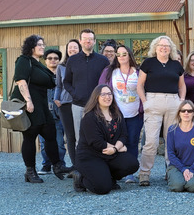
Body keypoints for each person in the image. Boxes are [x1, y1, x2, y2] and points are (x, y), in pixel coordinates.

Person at [12, 35, 71, 183]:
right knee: (30, 137)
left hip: (42, 105)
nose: (42, 47)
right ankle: (30, 171)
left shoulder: (38, 64)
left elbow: (52, 81)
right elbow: (21, 80)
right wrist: (28, 101)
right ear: (31, 46)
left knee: (50, 133)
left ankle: (57, 166)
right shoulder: (24, 60)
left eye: (43, 44)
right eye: (39, 44)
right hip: (30, 105)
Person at [137, 36, 186, 186]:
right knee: (151, 141)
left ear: (170, 48)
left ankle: (170, 172)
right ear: (155, 47)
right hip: (153, 101)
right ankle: (144, 173)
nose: (164, 48)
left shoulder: (176, 65)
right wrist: (145, 102)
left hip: (173, 102)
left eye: (167, 45)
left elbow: (182, 86)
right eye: (161, 45)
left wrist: (181, 101)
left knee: (171, 140)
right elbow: (139, 85)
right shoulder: (148, 63)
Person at [73, 85, 139, 194]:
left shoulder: (117, 114)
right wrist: (117, 149)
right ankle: (80, 180)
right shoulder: (90, 117)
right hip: (91, 156)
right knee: (102, 188)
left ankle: (108, 177)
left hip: (110, 154)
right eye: (103, 94)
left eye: (109, 94)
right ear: (96, 97)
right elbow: (97, 142)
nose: (107, 97)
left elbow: (123, 135)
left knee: (132, 164)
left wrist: (115, 149)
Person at [99, 45, 143, 184]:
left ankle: (130, 173)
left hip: (135, 114)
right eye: (119, 54)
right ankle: (114, 171)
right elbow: (101, 89)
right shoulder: (110, 71)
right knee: (114, 143)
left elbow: (144, 89)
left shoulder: (138, 72)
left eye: (125, 54)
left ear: (130, 55)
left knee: (132, 142)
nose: (122, 56)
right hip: (116, 115)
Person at [64, 29, 109, 145]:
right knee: (80, 139)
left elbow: (107, 83)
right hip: (78, 105)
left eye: (90, 39)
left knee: (100, 137)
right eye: (85, 39)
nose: (87, 41)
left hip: (98, 106)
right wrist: (75, 94)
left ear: (94, 41)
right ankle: (82, 163)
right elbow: (66, 82)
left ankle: (98, 163)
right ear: (80, 41)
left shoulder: (103, 60)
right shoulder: (72, 60)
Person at [37, 49, 67, 175]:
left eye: (56, 58)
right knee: (44, 143)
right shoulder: (40, 75)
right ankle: (46, 165)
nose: (53, 60)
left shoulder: (63, 75)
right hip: (44, 114)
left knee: (60, 143)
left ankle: (60, 165)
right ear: (45, 60)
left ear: (59, 60)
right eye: (50, 58)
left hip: (59, 114)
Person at [166, 100, 194, 192]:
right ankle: (174, 176)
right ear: (179, 113)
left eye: (189, 111)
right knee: (177, 186)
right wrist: (183, 169)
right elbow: (171, 153)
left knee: (193, 187)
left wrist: (192, 169)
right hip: (177, 166)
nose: (186, 113)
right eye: (183, 111)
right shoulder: (172, 129)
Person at [54, 39, 81, 171]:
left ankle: (83, 164)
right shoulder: (61, 67)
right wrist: (56, 99)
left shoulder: (83, 65)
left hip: (81, 103)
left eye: (75, 47)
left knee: (81, 135)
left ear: (80, 49)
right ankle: (75, 165)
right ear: (67, 50)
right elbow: (58, 85)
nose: (72, 50)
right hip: (65, 104)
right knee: (70, 136)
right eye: (70, 47)